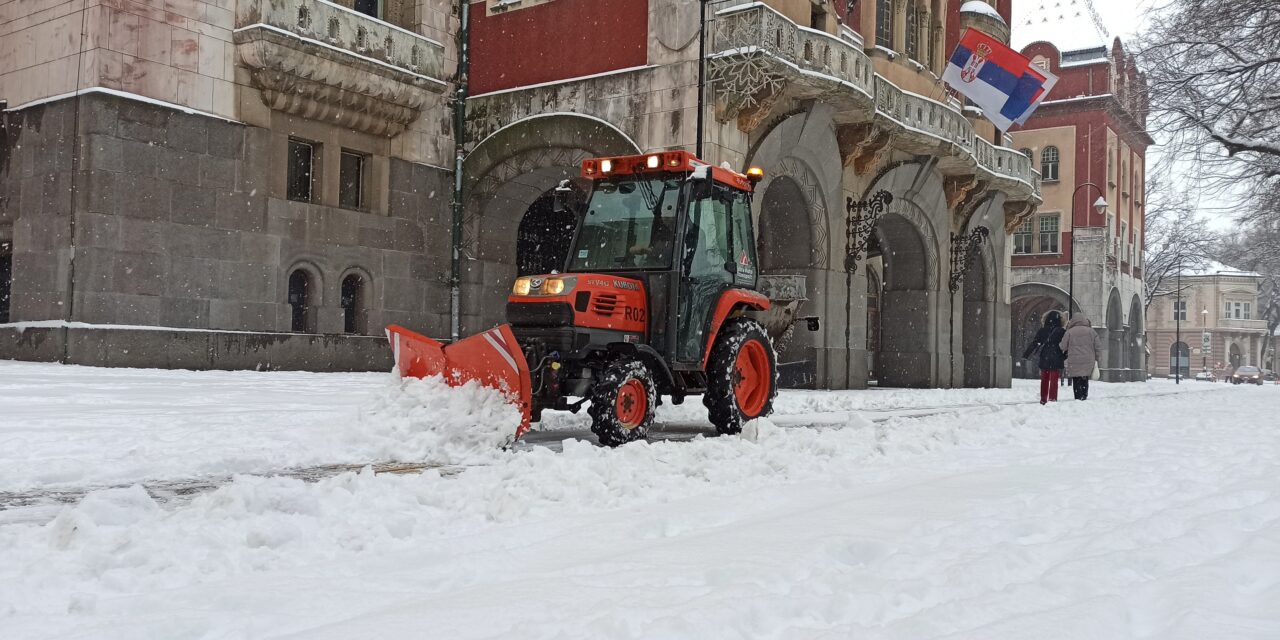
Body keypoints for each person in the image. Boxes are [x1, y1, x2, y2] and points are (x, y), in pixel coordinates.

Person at [1021, 310, 1067, 404]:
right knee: (1054, 379)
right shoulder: (1062, 331)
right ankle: (1052, 398)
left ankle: (1043, 399)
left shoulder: (1043, 330)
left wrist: (1026, 354)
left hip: (1045, 355)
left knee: (1044, 379)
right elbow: (1066, 345)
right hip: (1057, 355)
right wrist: (1065, 355)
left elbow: (1035, 343)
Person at [1059, 315, 1103, 400]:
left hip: (1074, 359)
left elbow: (1062, 346)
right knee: (1084, 377)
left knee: (1076, 378)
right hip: (1088, 359)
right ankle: (1084, 395)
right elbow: (1098, 346)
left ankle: (1077, 396)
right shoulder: (1091, 331)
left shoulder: (1069, 332)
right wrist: (1098, 358)